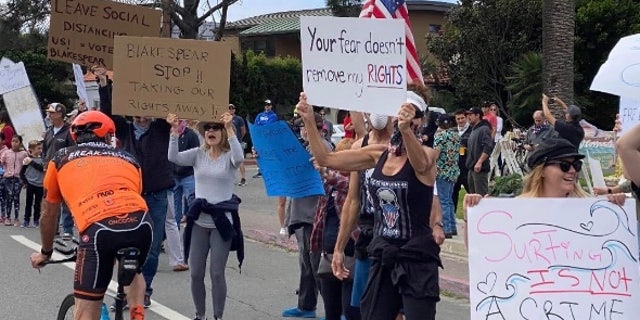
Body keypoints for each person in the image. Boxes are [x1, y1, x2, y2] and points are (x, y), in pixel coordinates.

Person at [300, 83, 443, 320]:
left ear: (422, 120)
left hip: (416, 258)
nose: (406, 119)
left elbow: (420, 165)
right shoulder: (378, 154)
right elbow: (327, 158)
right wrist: (307, 119)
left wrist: (407, 131)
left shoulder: (428, 155)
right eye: (401, 113)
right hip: (383, 254)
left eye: (414, 115)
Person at [30, 110, 152, 320]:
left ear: (75, 137)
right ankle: (137, 314)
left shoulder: (60, 158)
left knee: (87, 310)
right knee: (134, 268)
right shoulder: (130, 159)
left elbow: (48, 215)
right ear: (109, 136)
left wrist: (45, 253)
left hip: (98, 231)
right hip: (141, 224)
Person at [95, 66, 174, 308]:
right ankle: (126, 290)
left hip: (156, 195)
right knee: (125, 245)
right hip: (129, 196)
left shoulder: (162, 128)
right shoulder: (124, 129)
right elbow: (107, 113)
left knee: (150, 247)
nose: (142, 116)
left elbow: (170, 100)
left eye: (146, 111)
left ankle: (145, 289)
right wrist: (103, 84)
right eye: (138, 111)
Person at [464, 138, 625, 246]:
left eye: (576, 165)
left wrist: (616, 209)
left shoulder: (590, 211)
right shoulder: (515, 210)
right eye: (564, 165)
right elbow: (483, 251)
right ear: (541, 171)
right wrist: (470, 216)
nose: (572, 171)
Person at [167, 112, 244, 320]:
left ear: (222, 133)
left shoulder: (230, 156)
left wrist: (229, 128)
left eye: (215, 128)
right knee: (195, 273)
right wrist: (174, 132)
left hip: (221, 222)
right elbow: (173, 157)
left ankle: (218, 316)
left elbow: (239, 158)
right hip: (199, 221)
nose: (211, 131)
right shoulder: (198, 154)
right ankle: (200, 315)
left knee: (217, 273)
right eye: (208, 128)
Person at [282, 112, 334, 319]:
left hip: (314, 215)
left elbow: (329, 175)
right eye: (301, 126)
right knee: (306, 265)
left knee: (316, 265)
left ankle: (334, 310)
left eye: (307, 126)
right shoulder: (303, 148)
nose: (303, 130)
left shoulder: (323, 148)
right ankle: (306, 306)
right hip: (301, 213)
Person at [310, 138, 360, 320]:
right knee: (331, 311)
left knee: (351, 311)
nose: (341, 161)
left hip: (351, 255)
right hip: (328, 254)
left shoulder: (356, 182)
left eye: (346, 158)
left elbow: (342, 183)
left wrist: (324, 171)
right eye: (339, 156)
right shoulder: (328, 186)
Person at [42, 102, 75, 239]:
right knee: (51, 201)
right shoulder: (49, 131)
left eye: (52, 113)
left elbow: (72, 150)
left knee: (66, 202)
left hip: (64, 171)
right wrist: (45, 163)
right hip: (49, 171)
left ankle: (67, 229)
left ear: (60, 114)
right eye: (49, 113)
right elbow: (44, 150)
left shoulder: (69, 131)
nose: (49, 115)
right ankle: (53, 229)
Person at [433, 114, 460, 238]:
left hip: (442, 170)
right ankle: (453, 226)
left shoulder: (440, 137)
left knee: (443, 200)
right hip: (453, 170)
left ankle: (446, 228)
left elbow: (436, 154)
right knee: (449, 200)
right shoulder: (456, 136)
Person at [465, 107, 493, 196]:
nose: (468, 117)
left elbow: (487, 147)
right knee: (473, 197)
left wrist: (480, 162)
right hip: (471, 167)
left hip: (479, 169)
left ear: (477, 116)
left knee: (481, 196)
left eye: (470, 115)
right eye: (467, 115)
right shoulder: (474, 129)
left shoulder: (484, 129)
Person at [1, 135, 28, 226]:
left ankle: (16, 218)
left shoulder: (24, 154)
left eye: (16, 141)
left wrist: (25, 180)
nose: (14, 143)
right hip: (8, 178)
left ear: (20, 143)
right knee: (9, 197)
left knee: (16, 198)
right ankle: (7, 217)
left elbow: (27, 166)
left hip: (18, 178)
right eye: (12, 141)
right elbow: (1, 162)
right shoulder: (7, 153)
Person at [21, 140, 45, 228]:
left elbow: (42, 169)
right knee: (28, 203)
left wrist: (32, 162)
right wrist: (25, 182)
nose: (40, 150)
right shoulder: (27, 160)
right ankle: (26, 220)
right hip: (30, 184)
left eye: (41, 148)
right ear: (31, 149)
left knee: (38, 204)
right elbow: (22, 172)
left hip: (40, 184)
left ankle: (36, 220)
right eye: (38, 148)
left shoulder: (42, 159)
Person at [252, 99, 278, 178]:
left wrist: (261, 125)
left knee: (269, 154)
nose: (267, 107)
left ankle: (271, 170)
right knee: (258, 153)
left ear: (271, 106)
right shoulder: (260, 115)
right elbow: (256, 125)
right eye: (266, 105)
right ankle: (260, 170)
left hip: (268, 138)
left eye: (268, 105)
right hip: (259, 138)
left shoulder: (273, 115)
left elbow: (268, 125)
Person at [452, 109, 471, 215]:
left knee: (472, 193)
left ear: (467, 117)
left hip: (467, 167)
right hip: (455, 167)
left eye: (462, 118)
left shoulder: (472, 130)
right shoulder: (453, 131)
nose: (460, 120)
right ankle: (453, 221)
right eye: (458, 118)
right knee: (453, 195)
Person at [228, 104, 248, 186]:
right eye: (229, 108)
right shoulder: (225, 119)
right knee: (228, 161)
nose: (231, 110)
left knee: (240, 160)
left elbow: (243, 130)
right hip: (227, 142)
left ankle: (243, 178)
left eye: (232, 108)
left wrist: (239, 138)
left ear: (235, 110)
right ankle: (229, 179)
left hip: (237, 142)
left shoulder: (238, 119)